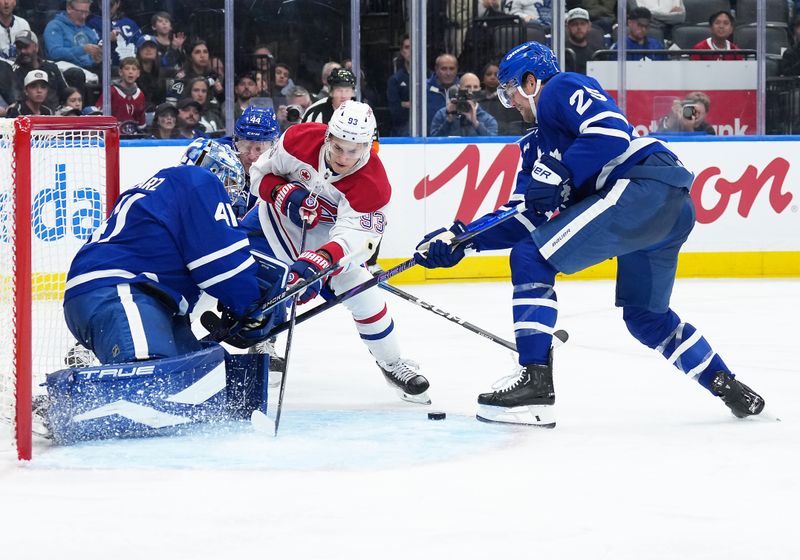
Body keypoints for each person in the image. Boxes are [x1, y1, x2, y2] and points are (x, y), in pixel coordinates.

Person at [414, 41, 764, 426]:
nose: (510, 102)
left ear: (531, 81)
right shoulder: (535, 146)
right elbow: (526, 215)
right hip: (668, 210)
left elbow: (611, 133)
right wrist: (462, 239)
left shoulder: (558, 89)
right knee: (645, 317)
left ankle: (535, 381)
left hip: (641, 188)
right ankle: (727, 385)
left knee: (531, 258)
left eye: (511, 90)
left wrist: (561, 173)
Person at [245, 101, 432, 405]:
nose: (344, 158)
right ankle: (262, 341)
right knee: (252, 278)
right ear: (328, 136)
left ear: (368, 146)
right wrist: (282, 193)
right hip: (272, 224)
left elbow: (356, 241)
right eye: (339, 147)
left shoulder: (374, 185)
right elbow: (258, 174)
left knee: (364, 294)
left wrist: (320, 263)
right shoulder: (298, 140)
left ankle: (392, 363)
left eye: (354, 150)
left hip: (329, 247)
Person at [63, 138, 282, 365]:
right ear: (216, 171)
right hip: (121, 291)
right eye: (228, 184)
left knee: (211, 375)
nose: (229, 194)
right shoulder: (200, 181)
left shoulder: (163, 187)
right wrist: (250, 305)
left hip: (144, 298)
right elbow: (222, 264)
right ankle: (62, 399)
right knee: (149, 377)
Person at [43, 0, 101, 85]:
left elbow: (93, 57)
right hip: (66, 69)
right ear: (69, 8)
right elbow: (54, 53)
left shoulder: (88, 30)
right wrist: (83, 49)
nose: (84, 16)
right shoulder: (55, 26)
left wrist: (97, 56)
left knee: (109, 70)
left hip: (88, 68)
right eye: (81, 12)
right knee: (77, 74)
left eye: (87, 12)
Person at [12, 29, 69, 113]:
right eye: (19, 48)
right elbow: (16, 99)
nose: (22, 51)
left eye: (26, 46)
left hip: (57, 114)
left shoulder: (51, 67)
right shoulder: (14, 71)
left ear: (36, 47)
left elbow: (66, 93)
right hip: (29, 115)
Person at [430, 72, 498, 136]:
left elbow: (494, 145)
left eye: (475, 87)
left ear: (480, 90)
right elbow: (431, 144)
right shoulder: (442, 115)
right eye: (468, 87)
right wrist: (448, 121)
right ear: (459, 89)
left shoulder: (488, 120)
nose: (471, 90)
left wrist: (476, 124)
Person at [94, 56, 145, 132]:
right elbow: (98, 113)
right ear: (120, 72)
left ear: (138, 73)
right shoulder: (110, 91)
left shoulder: (140, 95)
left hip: (133, 136)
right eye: (127, 69)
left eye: (134, 69)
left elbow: (141, 120)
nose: (130, 72)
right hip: (112, 134)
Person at [479, 62, 528, 136]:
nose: (492, 77)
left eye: (496, 75)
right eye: (489, 74)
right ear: (483, 78)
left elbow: (513, 125)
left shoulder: (509, 100)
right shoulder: (478, 100)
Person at [87, 0, 140, 67]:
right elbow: (89, 50)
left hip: (131, 67)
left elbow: (140, 45)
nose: (107, 8)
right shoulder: (92, 23)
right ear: (99, 5)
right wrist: (106, 39)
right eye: (103, 5)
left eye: (110, 5)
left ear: (118, 3)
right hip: (106, 68)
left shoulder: (130, 23)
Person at [565, 7, 604, 74]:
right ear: (568, 27)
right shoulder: (563, 52)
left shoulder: (598, 52)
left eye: (582, 24)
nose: (579, 27)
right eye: (574, 24)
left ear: (589, 26)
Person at [386, 34, 411, 136]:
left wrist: (405, 104)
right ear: (402, 51)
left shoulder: (429, 76)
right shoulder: (395, 80)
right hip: (402, 130)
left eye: (414, 46)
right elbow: (395, 110)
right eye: (407, 47)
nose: (411, 50)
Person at [426, 53, 459, 130]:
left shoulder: (463, 88)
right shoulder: (424, 89)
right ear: (436, 69)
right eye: (444, 69)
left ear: (457, 69)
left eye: (451, 69)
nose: (448, 73)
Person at [135, 34, 166, 110]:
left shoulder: (162, 74)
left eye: (152, 47)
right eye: (144, 47)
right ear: (138, 51)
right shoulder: (133, 74)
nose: (148, 50)